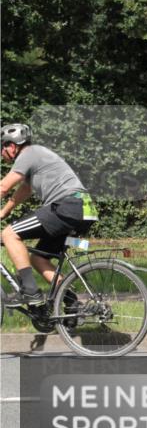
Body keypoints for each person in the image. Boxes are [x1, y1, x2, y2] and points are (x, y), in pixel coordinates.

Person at [0, 123, 98, 306]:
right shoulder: (38, 155)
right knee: (39, 258)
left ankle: (30, 291)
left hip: (66, 206)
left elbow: (3, 187)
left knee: (8, 234)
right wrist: (4, 212)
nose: (1, 153)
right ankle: (71, 303)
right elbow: (25, 189)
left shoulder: (27, 154)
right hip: (84, 209)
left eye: (2, 147)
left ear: (12, 146)